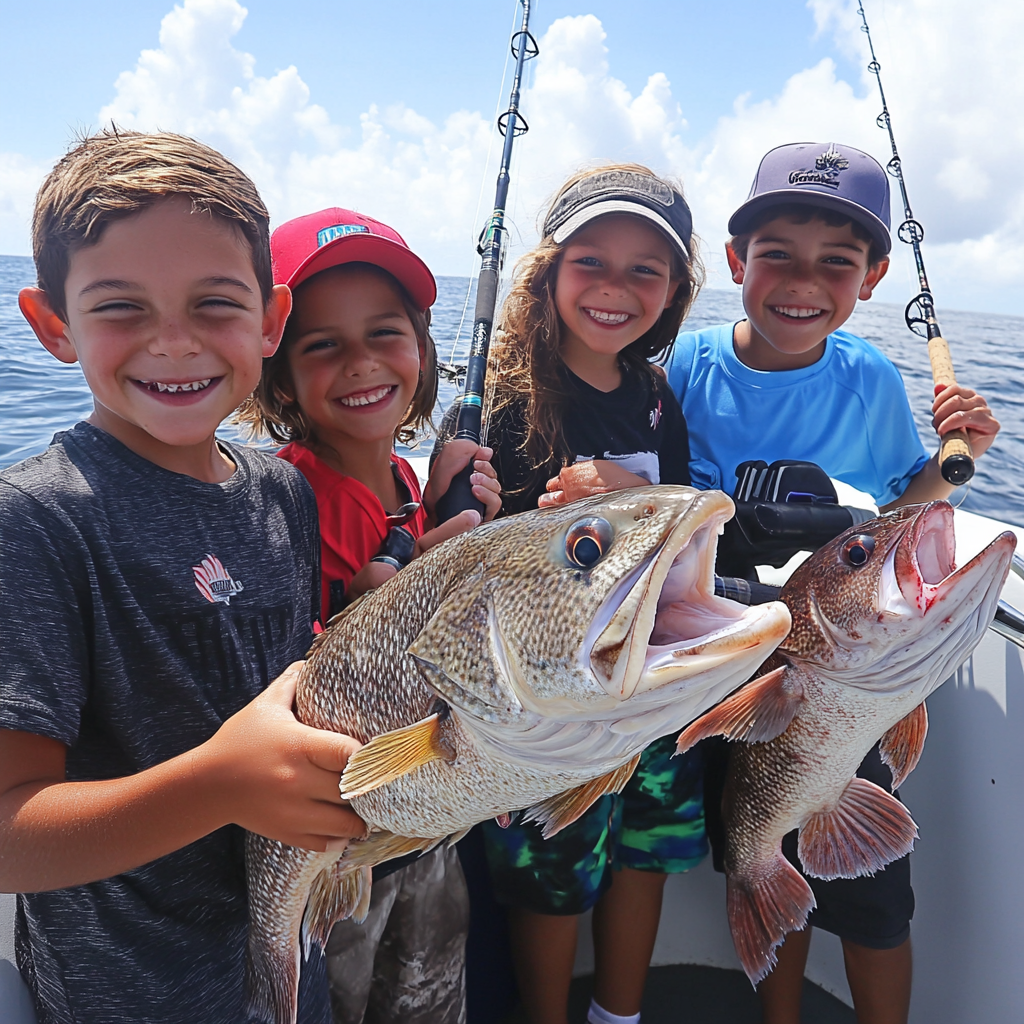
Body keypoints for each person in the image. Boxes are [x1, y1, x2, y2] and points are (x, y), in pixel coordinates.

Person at [550, 142, 1001, 1024]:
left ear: (872, 278)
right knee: (761, 844)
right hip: (723, 663)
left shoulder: (870, 378)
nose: (804, 281)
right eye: (778, 255)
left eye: (838, 261)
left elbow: (901, 515)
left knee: (874, 902)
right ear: (733, 264)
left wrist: (961, 465)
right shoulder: (683, 370)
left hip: (850, 667)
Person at [0, 129, 368, 1024]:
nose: (174, 343)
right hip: (127, 993)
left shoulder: (283, 490)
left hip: (287, 963)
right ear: (53, 326)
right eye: (121, 307)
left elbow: (292, 696)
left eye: (215, 304)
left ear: (272, 320)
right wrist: (222, 783)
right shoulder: (38, 521)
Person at [439, 163, 707, 1024]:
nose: (615, 289)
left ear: (673, 292)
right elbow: (473, 567)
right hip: (551, 709)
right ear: (548, 271)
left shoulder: (657, 397)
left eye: (645, 270)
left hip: (651, 681)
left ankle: (618, 1015)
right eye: (591, 261)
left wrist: (624, 504)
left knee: (647, 856)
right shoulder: (504, 406)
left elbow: (681, 529)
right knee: (554, 884)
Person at [237, 206, 501, 1024]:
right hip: (329, 847)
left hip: (419, 830)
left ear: (422, 351)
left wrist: (463, 517)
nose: (360, 363)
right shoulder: (279, 498)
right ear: (279, 376)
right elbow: (274, 676)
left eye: (386, 333)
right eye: (323, 345)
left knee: (429, 996)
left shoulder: (416, 489)